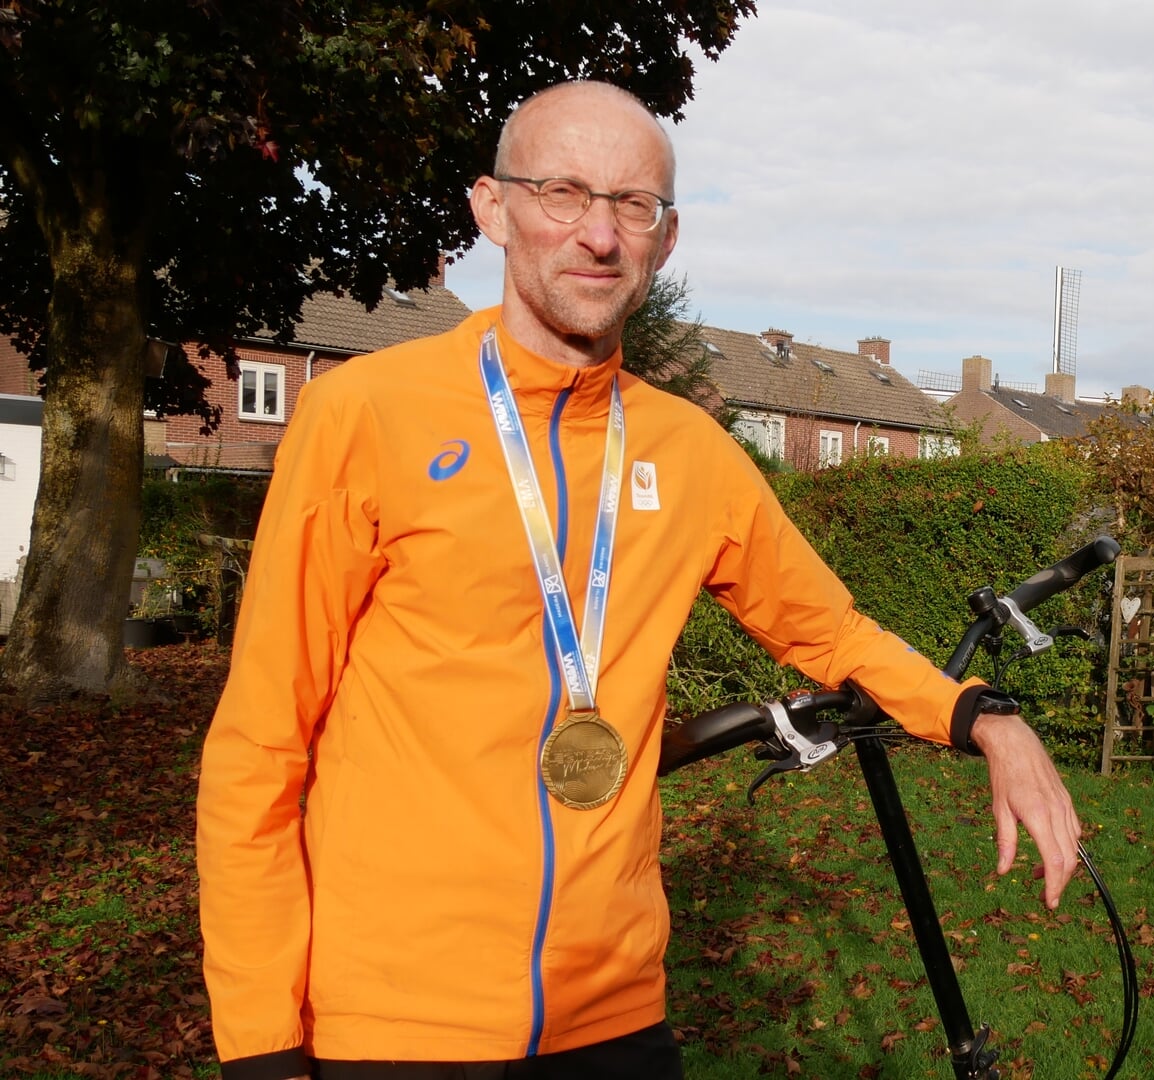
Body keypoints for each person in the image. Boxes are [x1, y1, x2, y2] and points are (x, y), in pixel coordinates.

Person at [195, 80, 1083, 1080]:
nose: (599, 235)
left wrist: (987, 720)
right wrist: (262, 1042)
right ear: (492, 207)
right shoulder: (363, 416)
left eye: (632, 205)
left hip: (614, 1017)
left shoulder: (689, 450)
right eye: (561, 191)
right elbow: (261, 745)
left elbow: (828, 632)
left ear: (664, 240)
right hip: (398, 1027)